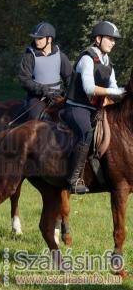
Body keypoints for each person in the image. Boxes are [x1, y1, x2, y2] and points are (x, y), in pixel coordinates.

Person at [64, 21, 125, 194]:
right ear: (98, 39)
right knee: (86, 132)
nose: (113, 42)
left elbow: (114, 87)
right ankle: (73, 179)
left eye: (114, 40)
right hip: (77, 107)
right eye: (110, 39)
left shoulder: (108, 63)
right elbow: (89, 88)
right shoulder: (87, 58)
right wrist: (113, 91)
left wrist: (123, 94)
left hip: (96, 109)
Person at [19, 22, 72, 119]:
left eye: (40, 38)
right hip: (37, 97)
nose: (37, 41)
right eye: (35, 38)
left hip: (57, 96)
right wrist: (43, 90)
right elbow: (24, 79)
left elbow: (69, 77)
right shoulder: (29, 56)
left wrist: (68, 93)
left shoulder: (60, 55)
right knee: (35, 118)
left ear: (49, 39)